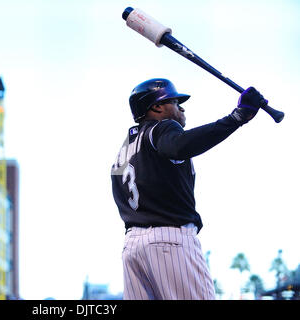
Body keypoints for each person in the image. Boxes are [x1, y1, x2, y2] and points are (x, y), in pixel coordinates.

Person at [111, 78, 266, 300]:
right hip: (169, 241)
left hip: (132, 248)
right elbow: (179, 146)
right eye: (175, 101)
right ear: (157, 107)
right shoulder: (162, 128)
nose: (181, 107)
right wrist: (237, 118)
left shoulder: (125, 149)